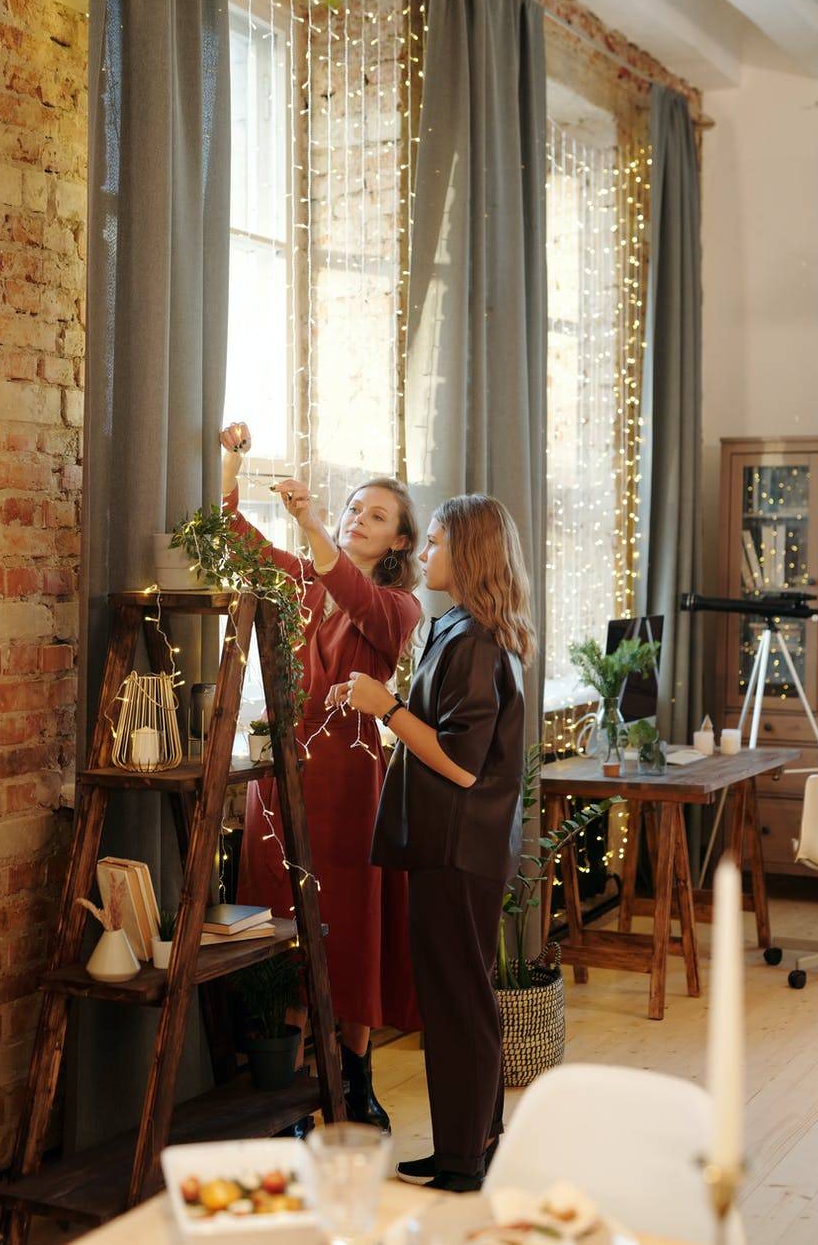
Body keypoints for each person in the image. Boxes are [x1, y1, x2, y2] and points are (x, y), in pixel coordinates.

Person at [219, 422, 422, 1131]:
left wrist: (309, 525)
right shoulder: (298, 579)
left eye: (376, 515)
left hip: (350, 786)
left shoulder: (398, 606)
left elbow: (354, 595)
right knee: (278, 921)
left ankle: (355, 1081)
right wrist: (229, 461)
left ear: (399, 542)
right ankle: (294, 1083)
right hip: (279, 776)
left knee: (350, 924)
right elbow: (233, 536)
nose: (356, 519)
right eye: (352, 508)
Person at [338, 494, 534, 1191]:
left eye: (436, 544)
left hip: (458, 850)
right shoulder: (462, 628)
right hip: (450, 847)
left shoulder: (476, 640)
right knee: (456, 1003)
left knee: (459, 1004)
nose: (423, 554)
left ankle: (466, 1158)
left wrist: (384, 706)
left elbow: (459, 761)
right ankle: (467, 1146)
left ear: (467, 554)